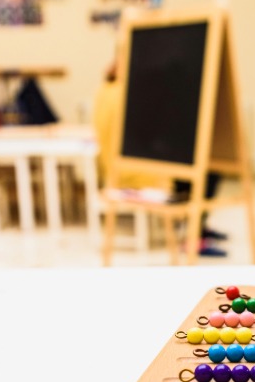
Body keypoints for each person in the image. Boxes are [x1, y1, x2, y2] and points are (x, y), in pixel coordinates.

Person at [92, 58, 228, 257]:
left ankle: (195, 228)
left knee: (194, 170)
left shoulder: (106, 90)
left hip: (116, 165)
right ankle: (193, 235)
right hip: (134, 170)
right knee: (202, 174)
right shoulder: (127, 94)